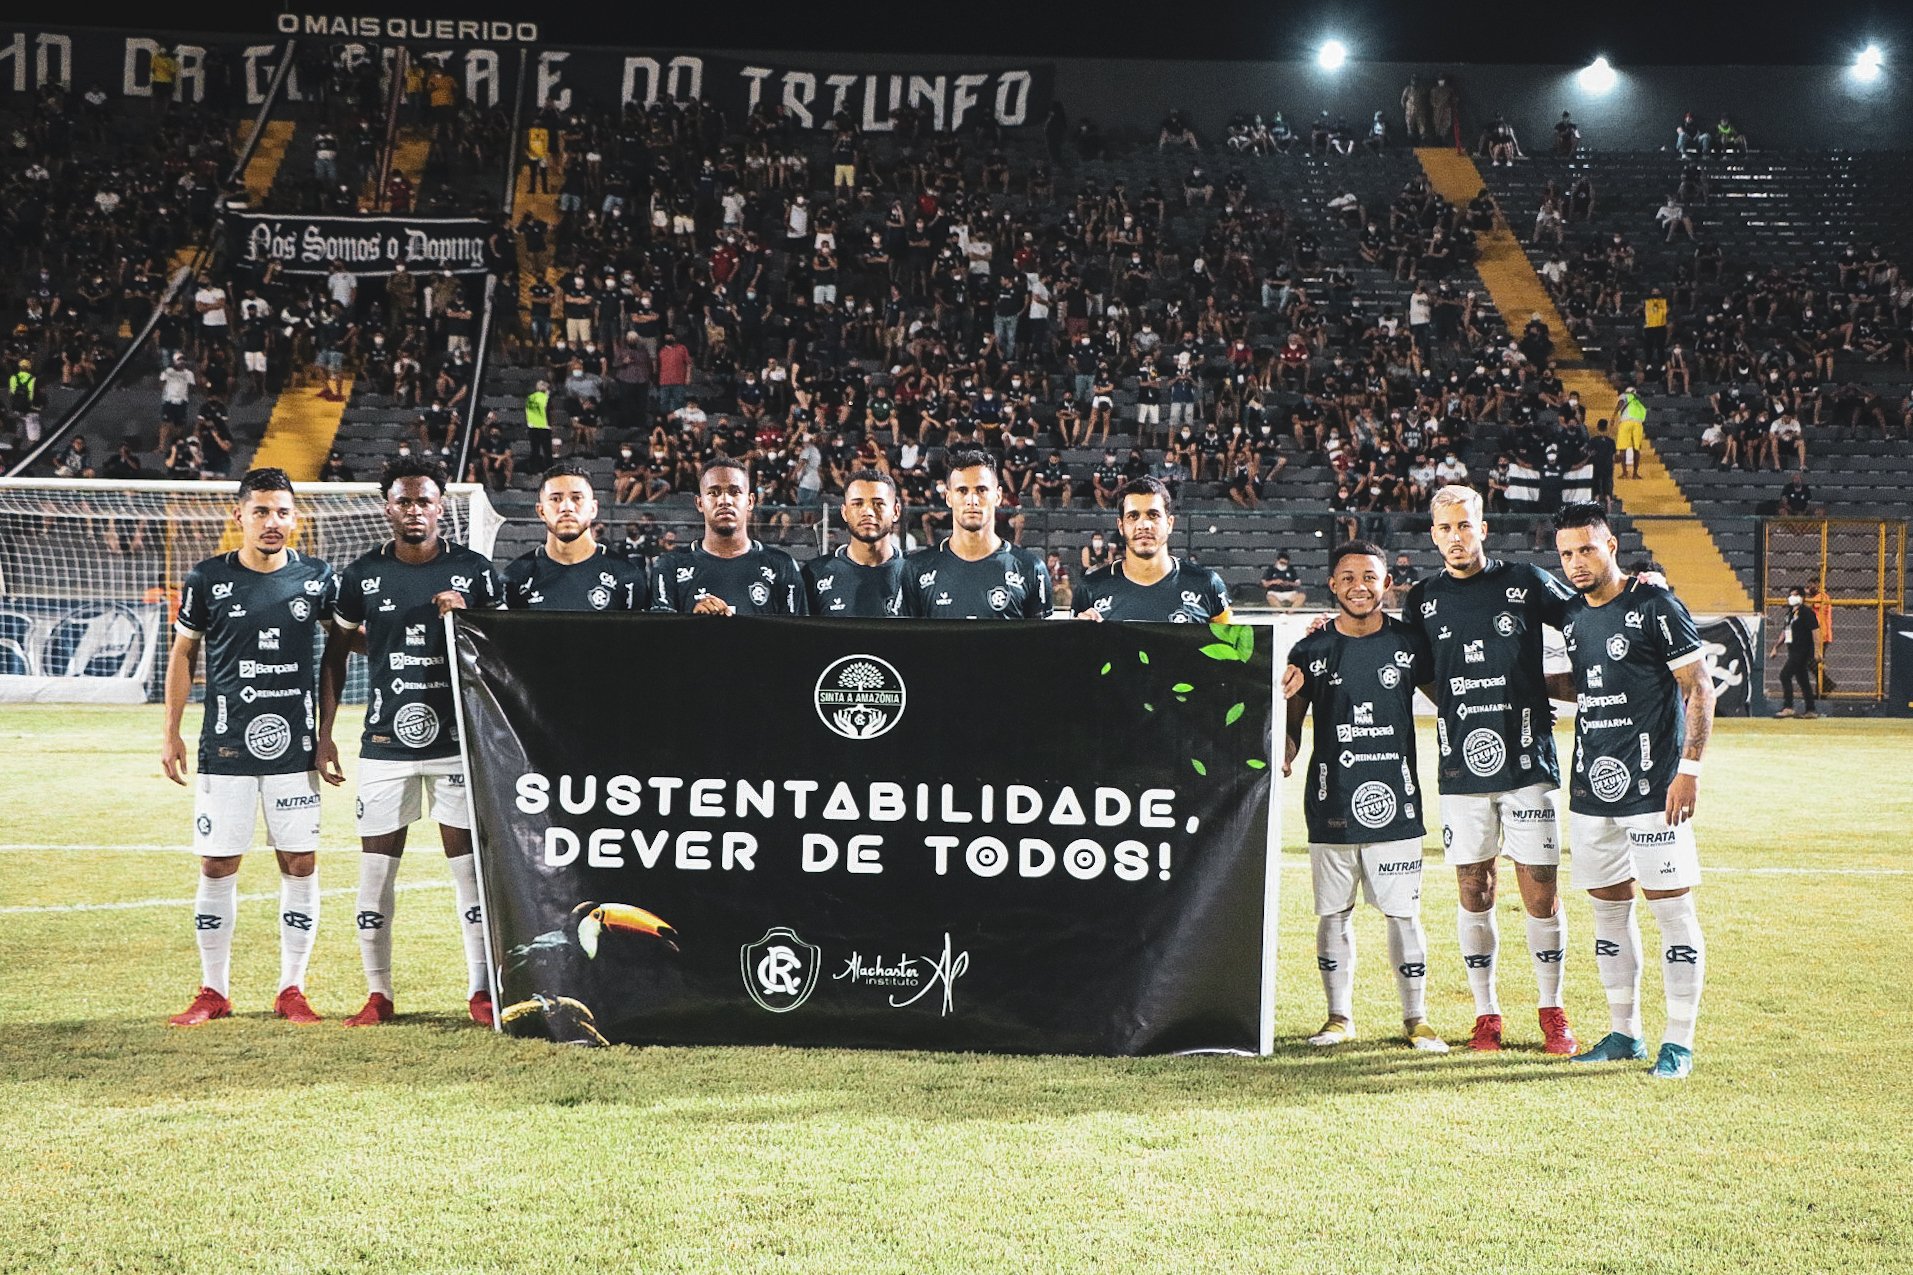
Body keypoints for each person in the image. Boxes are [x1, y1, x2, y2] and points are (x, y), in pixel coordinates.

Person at [319, 456, 504, 1028]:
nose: (414, 511)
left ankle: (480, 992)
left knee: (469, 874)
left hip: (457, 743)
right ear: (387, 507)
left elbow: (503, 649)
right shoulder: (360, 575)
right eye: (404, 501)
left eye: (424, 501)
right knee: (376, 874)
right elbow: (336, 650)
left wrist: (469, 616)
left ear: (441, 505)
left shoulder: (474, 570)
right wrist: (324, 736)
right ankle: (379, 995)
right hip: (384, 745)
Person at [162, 470, 337, 1027]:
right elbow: (183, 655)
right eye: (261, 511)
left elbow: (342, 650)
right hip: (227, 746)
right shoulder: (207, 579)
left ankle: (293, 988)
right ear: (238, 516)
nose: (273, 522)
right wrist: (171, 732)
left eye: (282, 512)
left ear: (294, 516)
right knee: (217, 864)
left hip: (295, 751)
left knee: (300, 863)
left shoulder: (317, 578)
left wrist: (327, 733)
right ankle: (213, 990)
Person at [1407, 486, 1579, 1054]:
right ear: (1433, 535)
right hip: (1462, 769)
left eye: (1465, 526)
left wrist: (1636, 587)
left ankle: (1552, 1010)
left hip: (1529, 761)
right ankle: (1487, 1014)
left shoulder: (1525, 581)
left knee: (1540, 892)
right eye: (1445, 529)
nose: (1456, 537)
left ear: (1483, 528)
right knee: (1473, 888)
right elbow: (1419, 672)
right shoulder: (1423, 599)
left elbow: (1586, 616)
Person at [1551, 502, 1715, 1079]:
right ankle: (1625, 1033)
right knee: (1607, 916)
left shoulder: (1654, 604)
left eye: (1586, 549)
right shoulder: (1572, 617)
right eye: (1566, 552)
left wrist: (1689, 770)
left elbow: (1699, 686)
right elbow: (1588, 682)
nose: (1576, 562)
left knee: (1671, 911)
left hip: (1654, 789)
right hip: (1591, 790)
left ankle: (1680, 1041)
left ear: (1612, 546)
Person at [1283, 541, 1446, 1053]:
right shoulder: (1309, 650)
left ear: (1386, 585)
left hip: (1395, 802)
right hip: (1330, 801)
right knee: (1333, 913)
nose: (1360, 586)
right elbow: (1289, 726)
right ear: (1332, 586)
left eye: (1370, 577)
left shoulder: (1410, 643)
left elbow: (1452, 701)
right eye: (1348, 577)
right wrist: (1280, 755)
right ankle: (1338, 1017)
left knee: (1403, 914)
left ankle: (1416, 1019)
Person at [901, 449, 1050, 620]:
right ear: (948, 498)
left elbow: (1043, 643)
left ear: (998, 496)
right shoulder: (917, 569)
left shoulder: (1030, 568)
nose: (972, 500)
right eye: (962, 490)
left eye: (981, 490)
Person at [650, 459, 807, 615]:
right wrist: (693, 624)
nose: (724, 500)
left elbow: (795, 635)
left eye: (735, 492)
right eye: (713, 492)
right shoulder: (670, 566)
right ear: (699, 503)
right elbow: (661, 636)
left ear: (751, 501)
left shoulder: (781, 565)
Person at [1071, 478, 1230, 624]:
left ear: (1169, 523)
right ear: (1121, 526)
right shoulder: (1089, 589)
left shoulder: (1207, 584)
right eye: (1133, 516)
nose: (1144, 525)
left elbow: (1233, 650)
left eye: (1153, 515)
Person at [502, 462, 649, 611]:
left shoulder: (627, 577)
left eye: (577, 498)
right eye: (555, 499)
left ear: (593, 509)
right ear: (541, 511)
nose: (567, 507)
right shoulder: (515, 577)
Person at [803, 470, 909, 617]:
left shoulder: (916, 573)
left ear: (896, 511)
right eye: (857, 504)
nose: (868, 512)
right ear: (844, 512)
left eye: (878, 504)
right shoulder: (814, 574)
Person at [1771, 587, 1819, 719]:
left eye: (1795, 595)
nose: (1791, 598)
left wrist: (1817, 650)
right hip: (1793, 650)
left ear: (1802, 597)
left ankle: (1788, 706)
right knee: (1802, 680)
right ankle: (1811, 709)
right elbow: (1785, 632)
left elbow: (1815, 631)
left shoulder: (1807, 613)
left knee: (1784, 675)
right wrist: (1776, 647)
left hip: (1802, 650)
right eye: (1790, 595)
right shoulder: (1789, 614)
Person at [1614, 387, 1647, 480]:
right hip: (1638, 424)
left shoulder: (1625, 395)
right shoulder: (1638, 400)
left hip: (1626, 422)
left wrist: (1613, 416)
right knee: (1636, 449)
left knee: (1623, 448)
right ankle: (1635, 474)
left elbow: (1620, 403)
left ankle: (1624, 473)